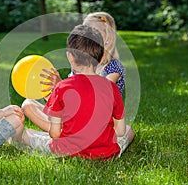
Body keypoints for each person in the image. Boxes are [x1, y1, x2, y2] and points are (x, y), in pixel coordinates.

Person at [22, 24, 134, 159]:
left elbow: (55, 134)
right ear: (102, 56)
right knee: (128, 130)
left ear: (70, 57)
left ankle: (21, 137)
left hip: (67, 150)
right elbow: (120, 131)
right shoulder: (112, 88)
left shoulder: (61, 87)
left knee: (28, 134)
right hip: (106, 153)